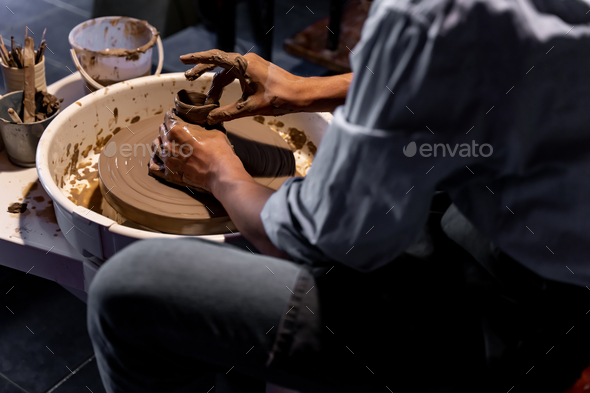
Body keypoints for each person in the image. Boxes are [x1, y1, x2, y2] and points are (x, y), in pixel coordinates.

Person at [87, 0, 590, 392]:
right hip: (554, 263)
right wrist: (305, 91)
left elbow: (319, 237)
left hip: (519, 328)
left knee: (126, 290)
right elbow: (478, 71)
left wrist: (218, 171)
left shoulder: (436, 14)